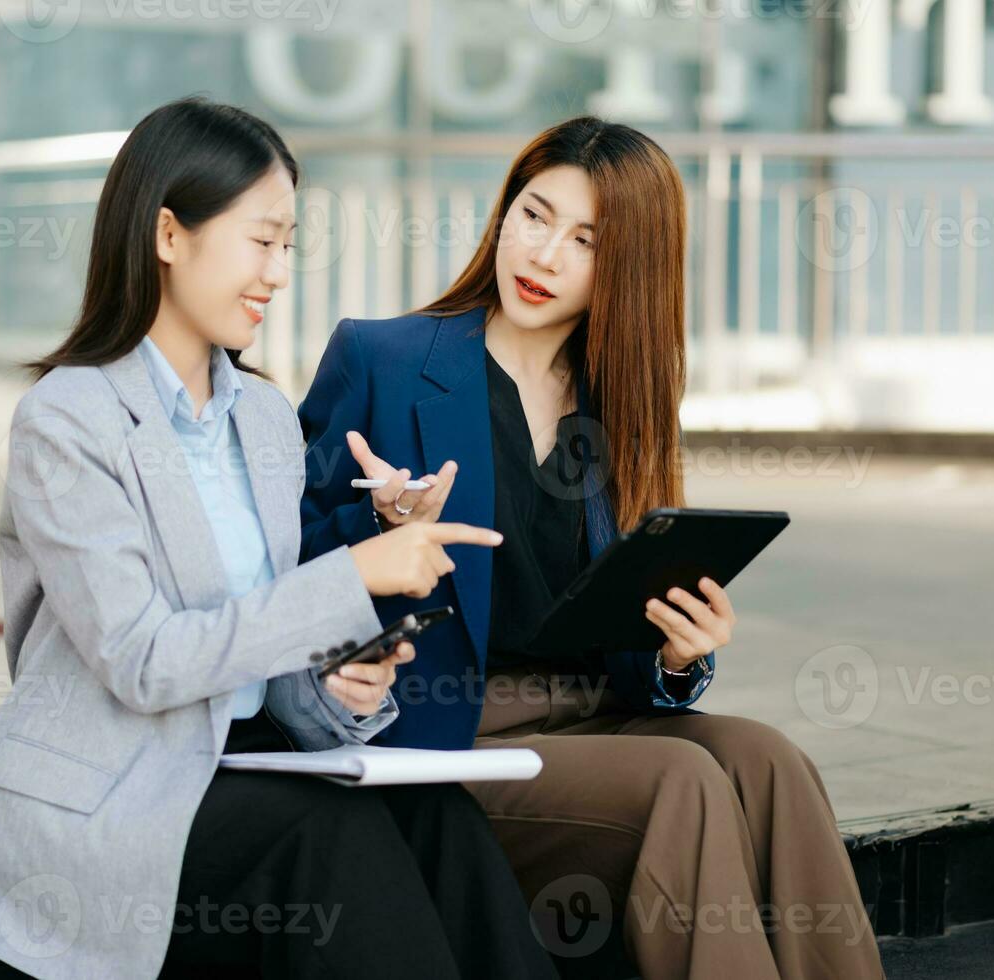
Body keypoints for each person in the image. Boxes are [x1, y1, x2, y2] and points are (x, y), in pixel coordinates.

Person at [0, 97, 558, 980]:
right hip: (115, 792)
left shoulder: (262, 418)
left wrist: (344, 689)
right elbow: (145, 662)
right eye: (262, 240)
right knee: (329, 838)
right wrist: (351, 573)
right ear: (169, 235)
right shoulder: (66, 422)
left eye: (289, 244)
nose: (280, 271)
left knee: (440, 818)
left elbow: (270, 664)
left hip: (249, 766)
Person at [298, 116, 884, 979]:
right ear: (504, 212)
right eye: (534, 216)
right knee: (679, 784)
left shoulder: (623, 401)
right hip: (449, 728)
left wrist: (682, 655)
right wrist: (381, 526)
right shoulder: (382, 358)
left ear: (631, 267)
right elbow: (282, 567)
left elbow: (634, 639)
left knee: (768, 760)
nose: (545, 256)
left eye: (587, 241)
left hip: (595, 711)